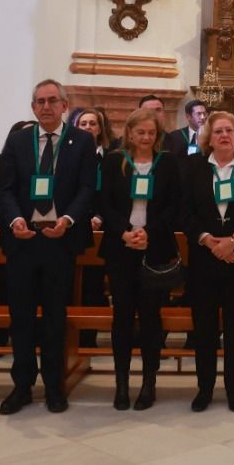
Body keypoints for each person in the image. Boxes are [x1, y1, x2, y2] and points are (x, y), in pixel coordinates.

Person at [0, 79, 95, 415]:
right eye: (40, 101)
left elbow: (86, 190)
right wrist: (14, 221)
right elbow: (4, 188)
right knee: (20, 318)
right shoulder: (18, 139)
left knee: (54, 318)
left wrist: (66, 220)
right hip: (22, 240)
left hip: (59, 242)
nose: (46, 107)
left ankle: (54, 387)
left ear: (64, 105)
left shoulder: (80, 141)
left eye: (53, 101)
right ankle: (22, 385)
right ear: (33, 107)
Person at [182, 111, 234, 413]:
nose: (224, 136)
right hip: (204, 258)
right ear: (209, 137)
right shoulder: (194, 167)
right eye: (218, 131)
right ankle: (204, 389)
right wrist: (208, 240)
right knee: (204, 329)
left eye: (230, 130)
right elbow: (185, 211)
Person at [99, 105, 181, 411]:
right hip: (120, 247)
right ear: (129, 133)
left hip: (154, 247)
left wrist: (149, 233)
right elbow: (104, 203)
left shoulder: (168, 164)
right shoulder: (114, 162)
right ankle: (122, 383)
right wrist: (124, 231)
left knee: (150, 318)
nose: (145, 137)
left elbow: (174, 206)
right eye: (140, 132)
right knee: (121, 317)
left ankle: (149, 382)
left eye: (151, 133)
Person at [74, 107, 113, 346]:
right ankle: (74, 338)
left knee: (94, 285)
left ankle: (89, 338)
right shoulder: (69, 155)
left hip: (102, 226)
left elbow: (112, 194)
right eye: (83, 124)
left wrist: (100, 217)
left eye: (93, 124)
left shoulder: (110, 157)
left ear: (100, 129)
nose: (88, 127)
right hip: (74, 225)